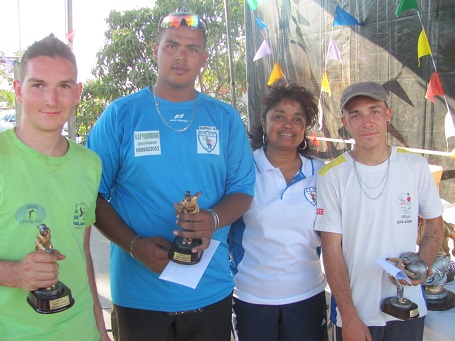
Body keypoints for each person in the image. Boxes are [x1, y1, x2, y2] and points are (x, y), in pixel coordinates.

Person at [86, 11, 255, 341]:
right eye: (172, 45)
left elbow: (243, 189)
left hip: (210, 290)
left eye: (192, 49)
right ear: (155, 50)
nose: (181, 56)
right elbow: (92, 195)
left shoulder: (225, 118)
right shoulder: (121, 115)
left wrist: (214, 218)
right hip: (139, 297)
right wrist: (134, 246)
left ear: (204, 58)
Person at [314, 81, 444, 341]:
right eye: (356, 115)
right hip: (358, 314)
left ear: (388, 115)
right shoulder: (331, 175)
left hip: (408, 309)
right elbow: (330, 249)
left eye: (374, 111)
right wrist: (349, 316)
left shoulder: (415, 166)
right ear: (345, 122)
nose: (367, 121)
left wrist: (423, 266)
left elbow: (434, 224)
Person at [0, 34, 109, 340]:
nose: (51, 99)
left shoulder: (89, 163)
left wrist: (100, 329)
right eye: (38, 85)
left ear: (77, 92)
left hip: (80, 331)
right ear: (19, 91)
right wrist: (13, 274)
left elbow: (81, 251)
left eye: (63, 86)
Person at [229, 83, 328, 340]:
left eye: (298, 119)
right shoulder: (243, 169)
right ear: (264, 122)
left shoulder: (321, 172)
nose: (288, 125)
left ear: (305, 127)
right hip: (252, 297)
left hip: (308, 295)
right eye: (279, 117)